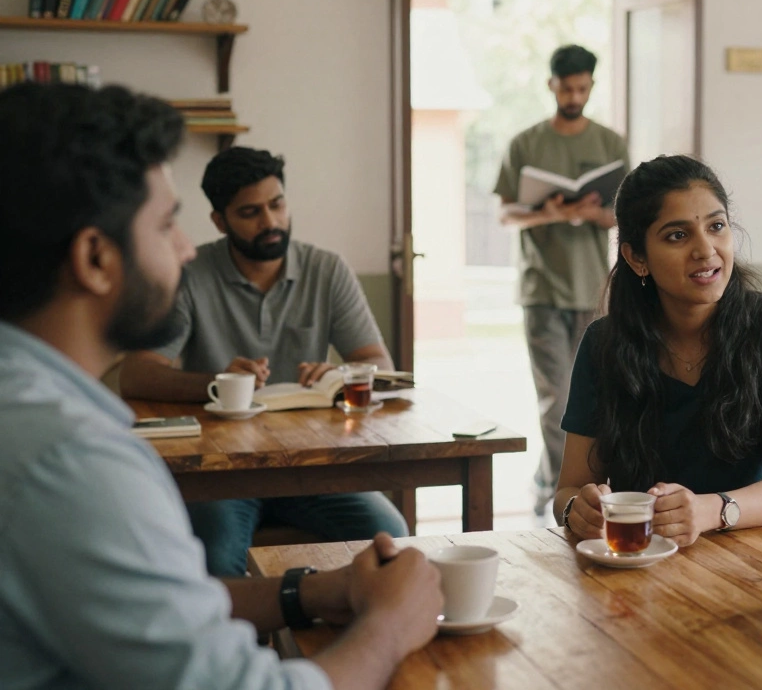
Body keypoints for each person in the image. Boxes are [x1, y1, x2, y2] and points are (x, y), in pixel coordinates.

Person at [0, 82, 443, 690]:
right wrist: (389, 629)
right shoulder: (73, 461)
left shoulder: (32, 412)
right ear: (95, 259)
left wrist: (310, 592)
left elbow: (161, 608)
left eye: (277, 204)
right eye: (165, 225)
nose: (184, 251)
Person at [118, 146, 408, 576]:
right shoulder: (191, 276)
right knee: (216, 560)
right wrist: (218, 383)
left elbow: (376, 363)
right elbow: (135, 373)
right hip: (221, 473)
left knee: (391, 532)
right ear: (220, 221)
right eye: (250, 212)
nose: (270, 222)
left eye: (277, 205)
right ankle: (237, 644)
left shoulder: (327, 269)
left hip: (314, 465)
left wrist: (339, 374)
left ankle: (358, 635)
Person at [552, 155, 762, 546]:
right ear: (637, 258)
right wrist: (576, 511)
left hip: (755, 555)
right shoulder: (604, 343)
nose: (706, 249)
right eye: (677, 236)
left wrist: (709, 511)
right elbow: (569, 489)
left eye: (716, 226)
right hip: (639, 562)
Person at [494, 44, 630, 515]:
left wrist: (596, 214)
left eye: (583, 88)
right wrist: (546, 213)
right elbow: (506, 214)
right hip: (542, 289)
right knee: (556, 398)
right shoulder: (526, 143)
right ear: (551, 85)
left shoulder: (611, 144)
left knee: (594, 398)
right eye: (566, 87)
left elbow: (626, 216)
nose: (574, 95)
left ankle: (554, 479)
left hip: (595, 289)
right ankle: (560, 493)